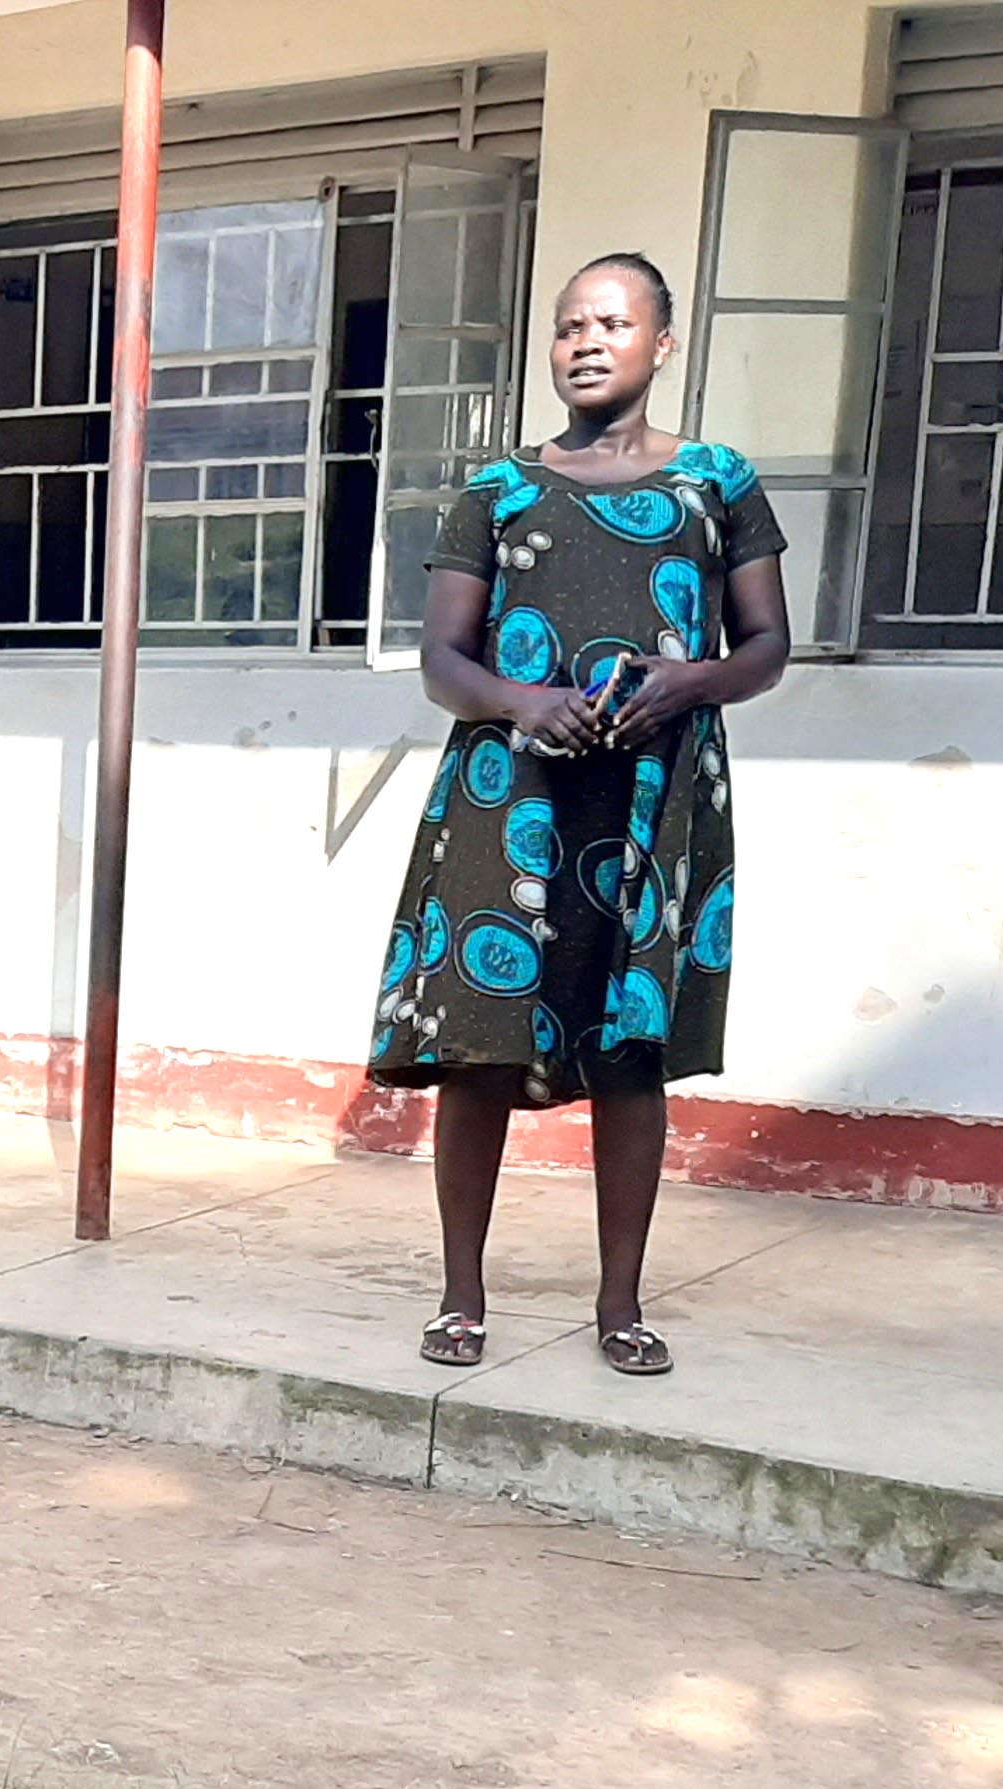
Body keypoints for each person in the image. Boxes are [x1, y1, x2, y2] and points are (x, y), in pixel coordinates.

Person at [368, 251, 791, 1376]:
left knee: (629, 1052)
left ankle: (620, 1304)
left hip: (654, 798)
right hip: (512, 795)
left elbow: (766, 648)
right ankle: (463, 1295)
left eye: (613, 322)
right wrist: (526, 703)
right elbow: (440, 661)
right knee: (479, 1048)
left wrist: (687, 683)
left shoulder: (719, 482)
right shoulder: (496, 490)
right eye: (568, 326)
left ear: (663, 343)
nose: (587, 342)